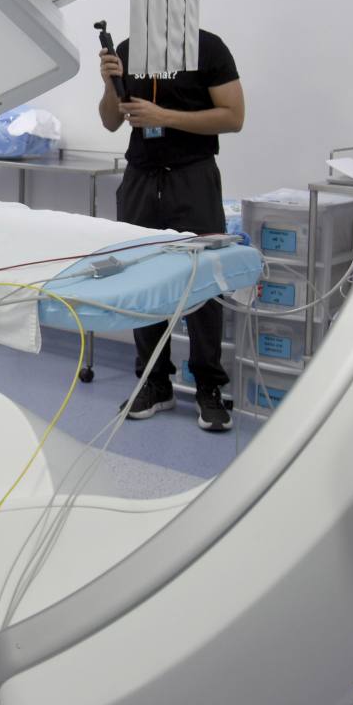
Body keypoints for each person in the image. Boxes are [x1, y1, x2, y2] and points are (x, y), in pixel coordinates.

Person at [99, 28, 245, 432]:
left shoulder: (208, 47)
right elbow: (110, 121)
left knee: (204, 280)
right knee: (142, 277)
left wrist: (164, 117)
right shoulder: (128, 49)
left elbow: (233, 117)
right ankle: (154, 382)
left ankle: (208, 387)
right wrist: (110, 83)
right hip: (141, 176)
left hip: (192, 175)